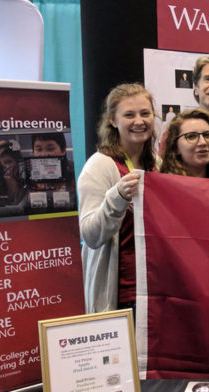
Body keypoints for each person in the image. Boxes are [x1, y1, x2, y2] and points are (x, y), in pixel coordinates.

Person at [78, 83, 159, 313]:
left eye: (145, 113)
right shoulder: (100, 165)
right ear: (113, 120)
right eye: (129, 115)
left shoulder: (157, 164)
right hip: (119, 296)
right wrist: (118, 197)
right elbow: (90, 235)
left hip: (152, 290)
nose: (139, 121)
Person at [160, 108, 209, 180]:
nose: (203, 142)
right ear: (175, 147)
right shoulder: (165, 187)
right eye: (191, 136)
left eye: (207, 135)